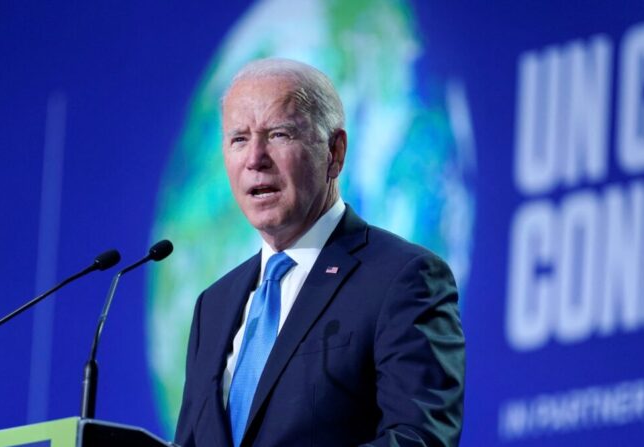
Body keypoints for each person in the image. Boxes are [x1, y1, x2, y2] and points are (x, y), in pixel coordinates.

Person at [174, 58, 465, 447]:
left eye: (278, 134)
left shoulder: (403, 278)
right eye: (239, 139)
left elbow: (420, 438)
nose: (254, 158)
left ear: (335, 152)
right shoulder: (213, 306)